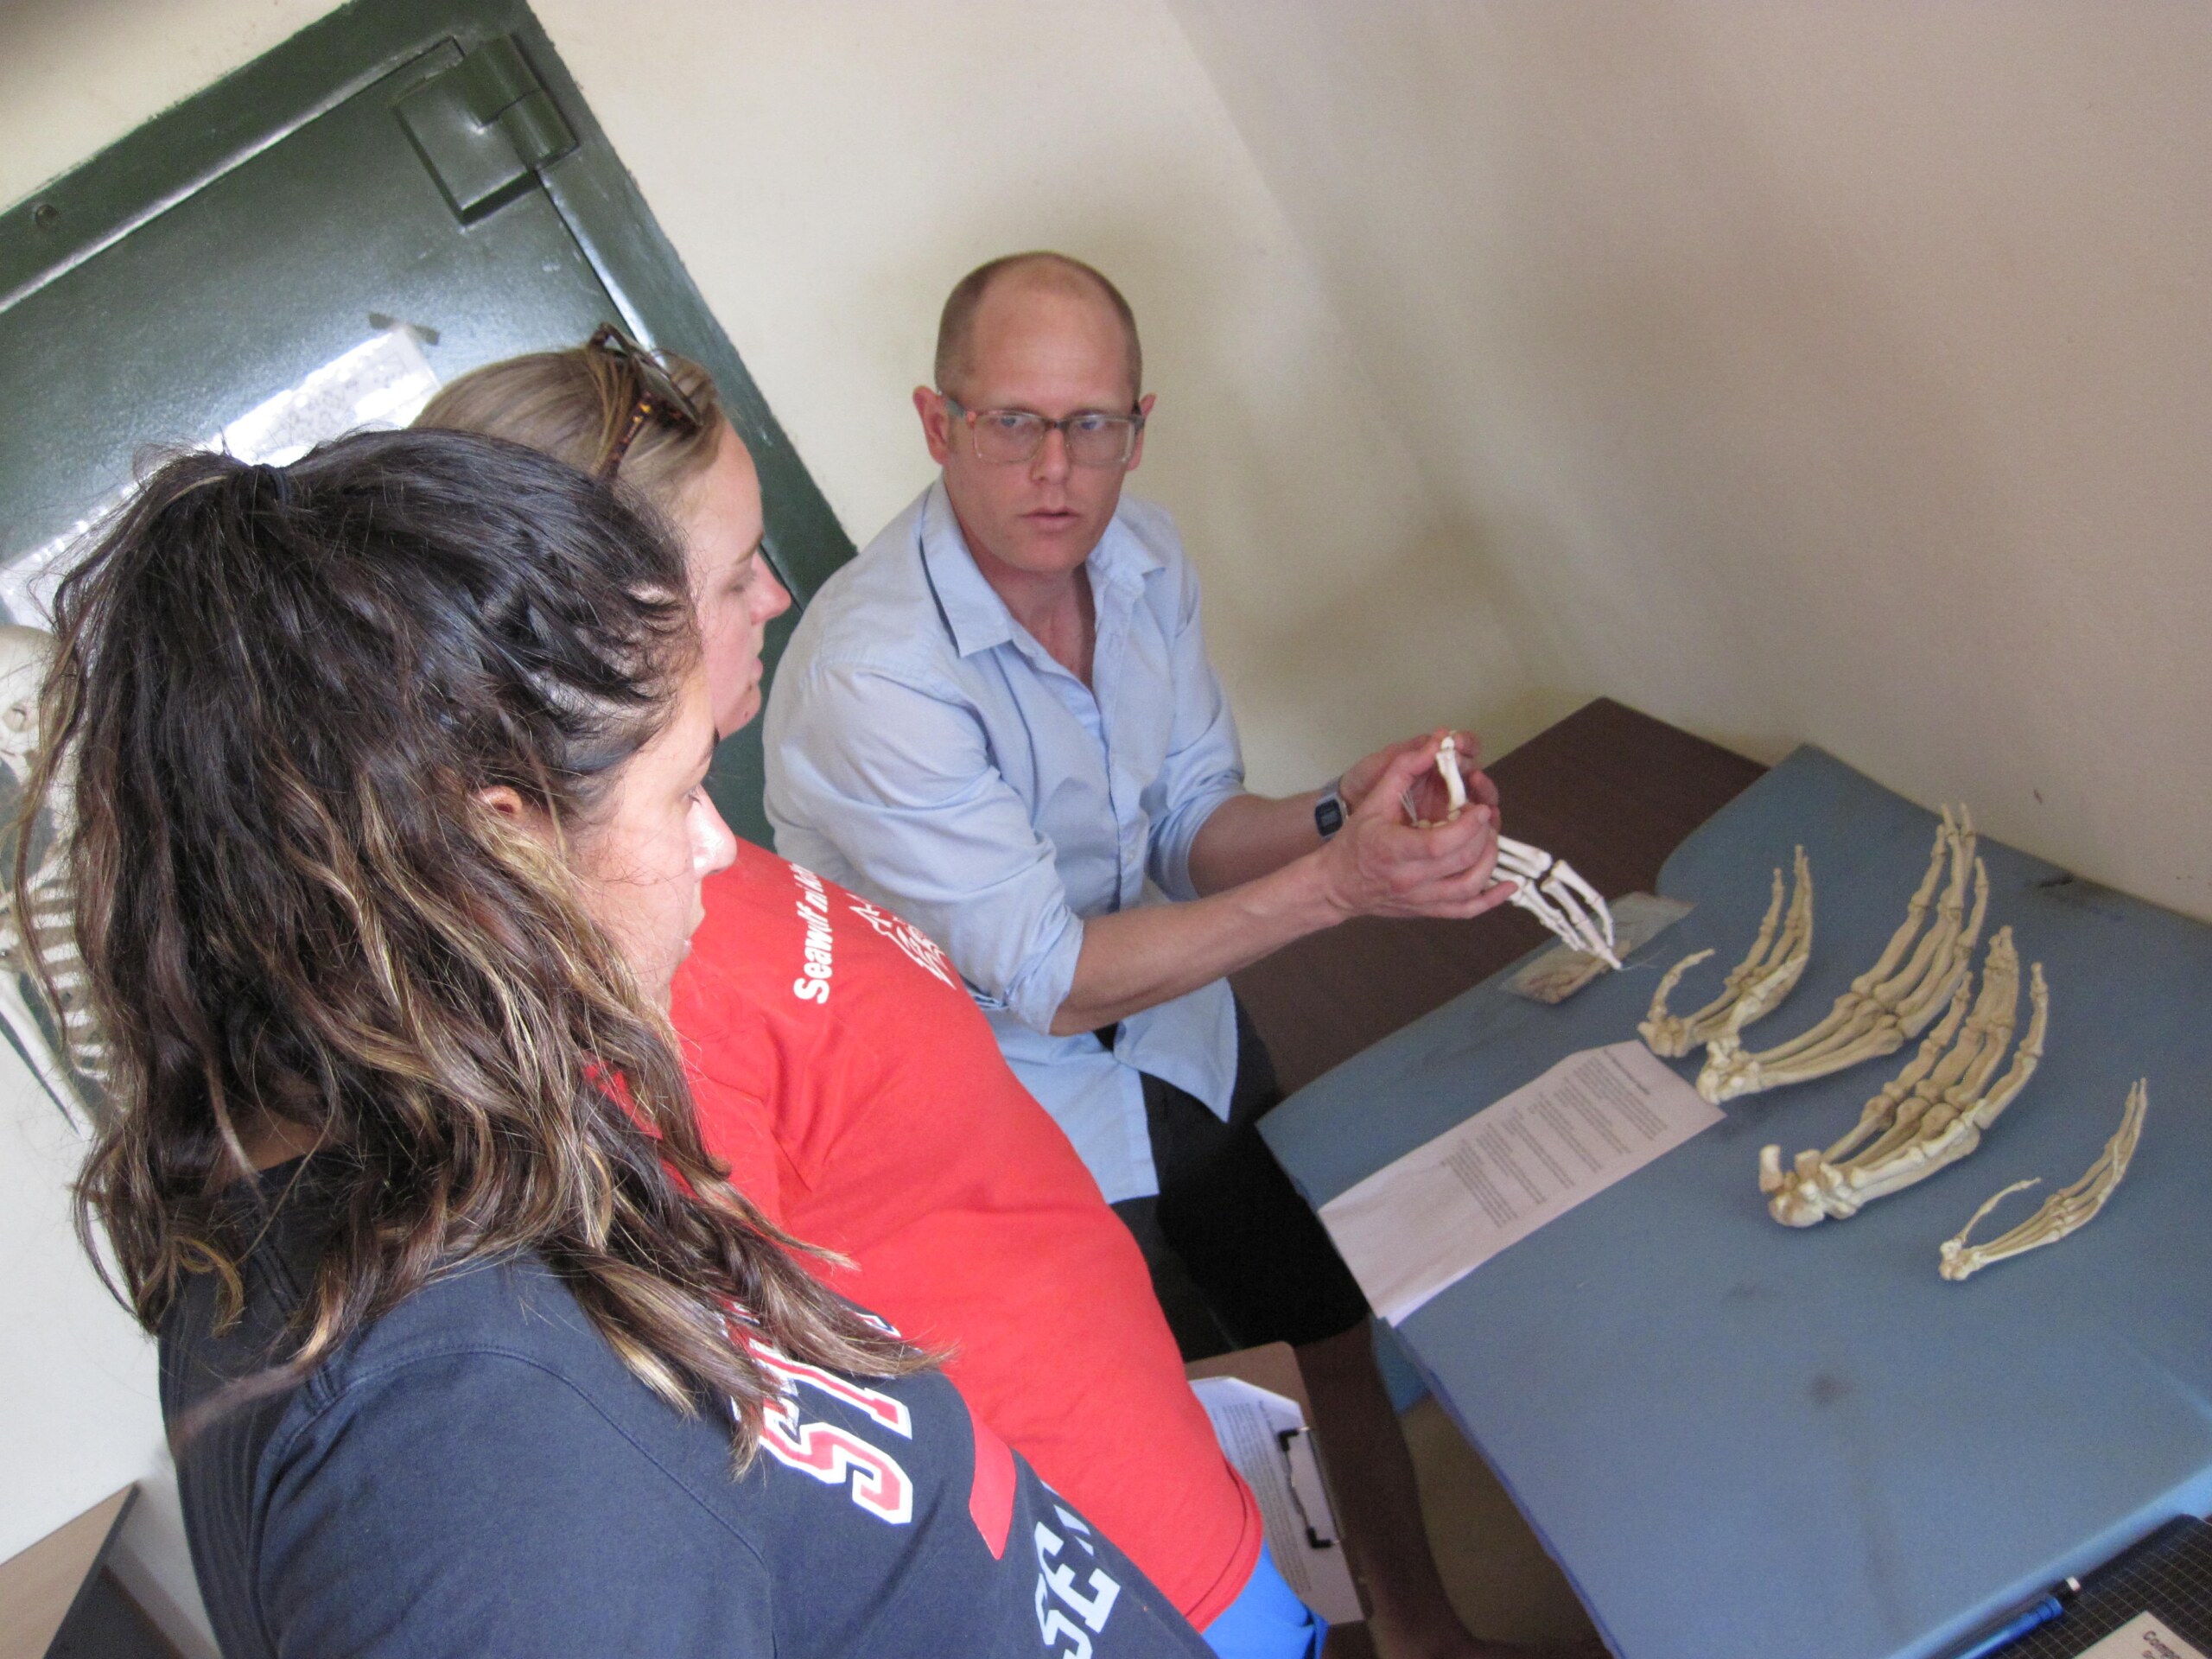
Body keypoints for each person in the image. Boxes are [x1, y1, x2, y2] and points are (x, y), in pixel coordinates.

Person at [39, 430, 1212, 1659]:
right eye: (681, 792)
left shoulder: (458, 1149)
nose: (716, 845)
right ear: (502, 851)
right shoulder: (462, 1446)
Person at [417, 337, 1316, 1656]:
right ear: (606, 626)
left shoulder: (693, 846)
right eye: (737, 574)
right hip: (1099, 1582)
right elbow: (759, 1452)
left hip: (1143, 1467)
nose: (776, 595)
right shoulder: (635, 977)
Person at [765, 251, 1534, 1659]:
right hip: (1018, 1128)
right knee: (1175, 1468)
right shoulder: (869, 673)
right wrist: (1342, 884)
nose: (1057, 468)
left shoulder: (1147, 559)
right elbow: (1052, 981)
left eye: (1095, 425)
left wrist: (1336, 811)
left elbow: (1187, 826)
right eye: (1014, 422)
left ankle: (1428, 1637)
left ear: (1140, 424)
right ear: (939, 424)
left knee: (1326, 1337)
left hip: (1188, 1044)